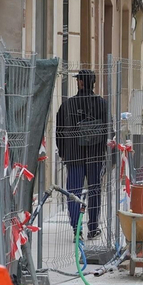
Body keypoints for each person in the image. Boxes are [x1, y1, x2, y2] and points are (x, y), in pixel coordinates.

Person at [54, 69, 110, 240]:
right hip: (95, 155)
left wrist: (63, 152)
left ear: (80, 83)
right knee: (94, 190)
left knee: (74, 192)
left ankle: (76, 229)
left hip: (74, 155)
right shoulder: (102, 104)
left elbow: (59, 132)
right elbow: (108, 129)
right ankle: (93, 227)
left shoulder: (67, 105)